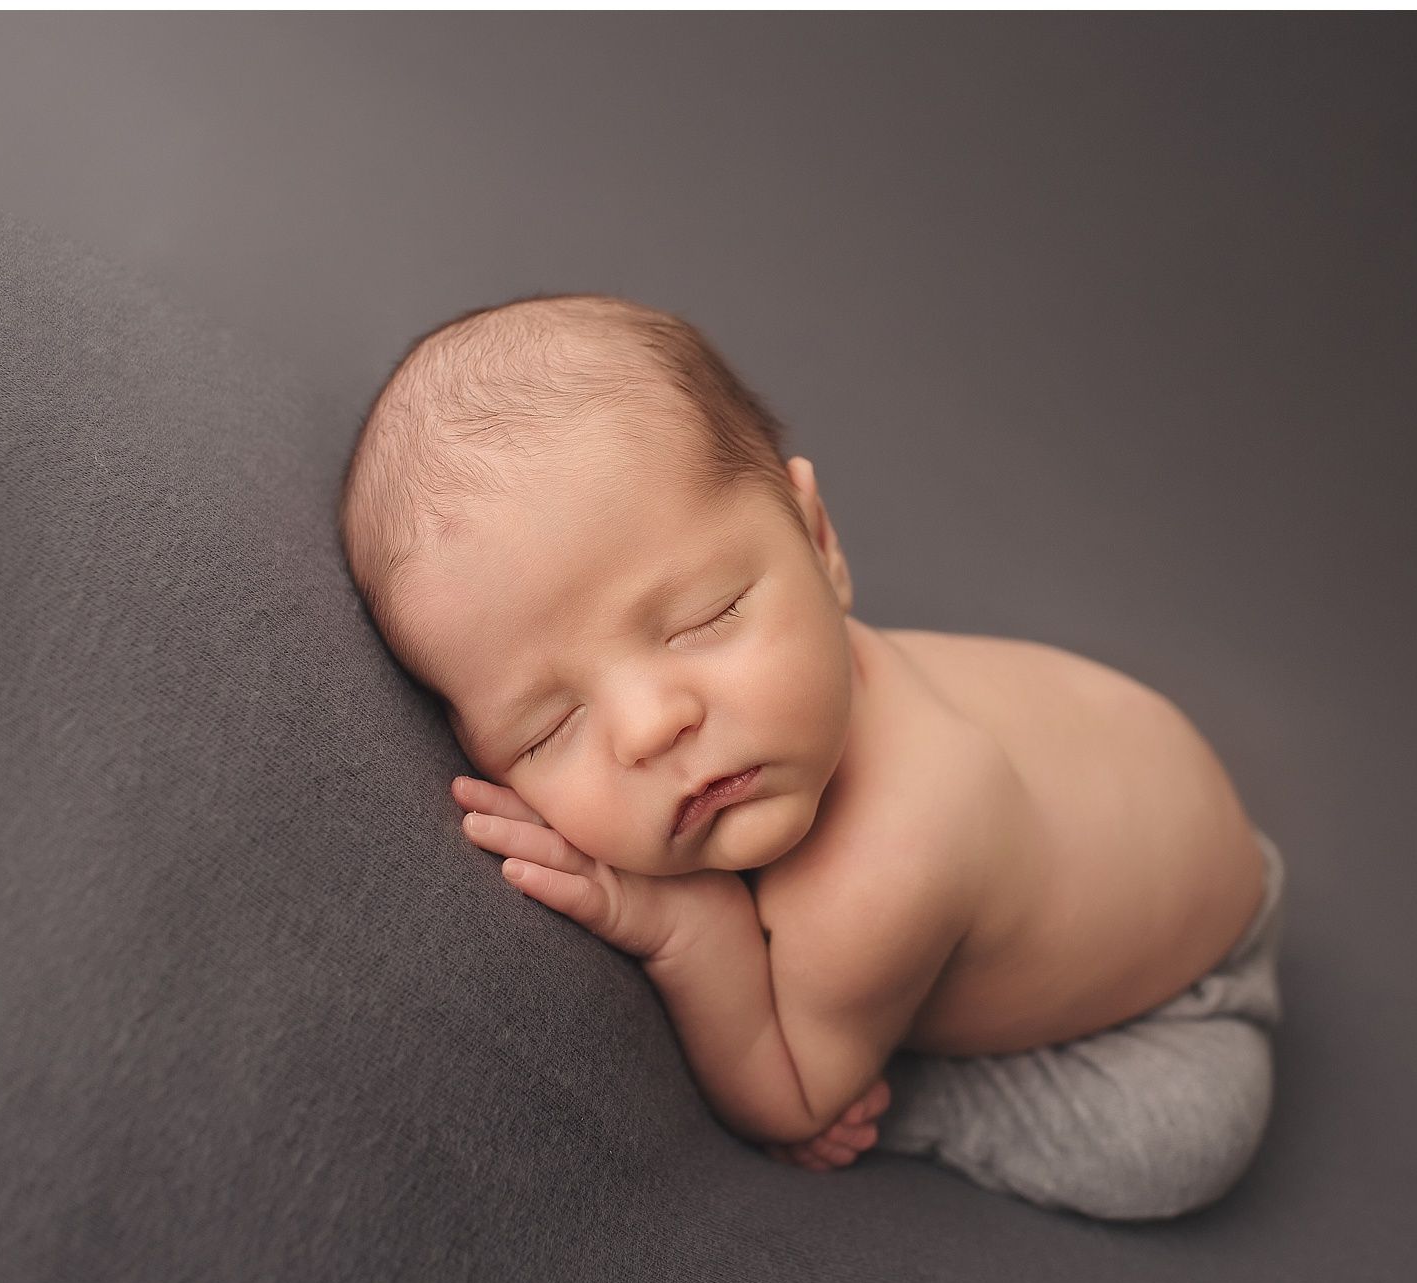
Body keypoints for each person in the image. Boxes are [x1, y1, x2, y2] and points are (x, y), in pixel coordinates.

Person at [337, 292, 1285, 1221]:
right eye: (548, 728)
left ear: (821, 540)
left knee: (1185, 1140)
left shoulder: (884, 868)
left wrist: (689, 932)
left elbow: (788, 1097)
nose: (648, 727)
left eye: (705, 617)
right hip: (1148, 807)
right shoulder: (810, 688)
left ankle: (920, 1099)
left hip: (1179, 1004)